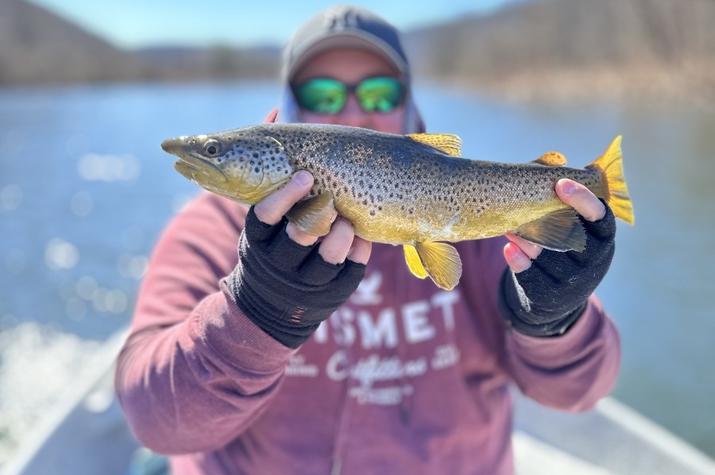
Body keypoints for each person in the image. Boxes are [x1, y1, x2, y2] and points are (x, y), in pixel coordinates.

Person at [115, 6, 620, 475]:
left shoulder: (486, 234)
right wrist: (256, 312)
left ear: (408, 103)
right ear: (290, 108)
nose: (353, 113)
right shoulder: (213, 233)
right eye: (324, 97)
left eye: (378, 94)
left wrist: (555, 321)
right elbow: (156, 421)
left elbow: (579, 392)